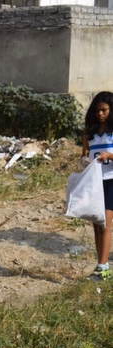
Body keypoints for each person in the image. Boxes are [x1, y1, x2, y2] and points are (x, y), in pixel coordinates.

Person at [82, 91, 113, 280]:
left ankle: (103, 268)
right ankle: (101, 263)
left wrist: (109, 156)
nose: (100, 114)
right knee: (96, 224)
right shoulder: (90, 134)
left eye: (104, 110)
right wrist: (84, 161)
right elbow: (83, 155)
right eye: (97, 110)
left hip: (111, 181)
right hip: (94, 182)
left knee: (105, 224)